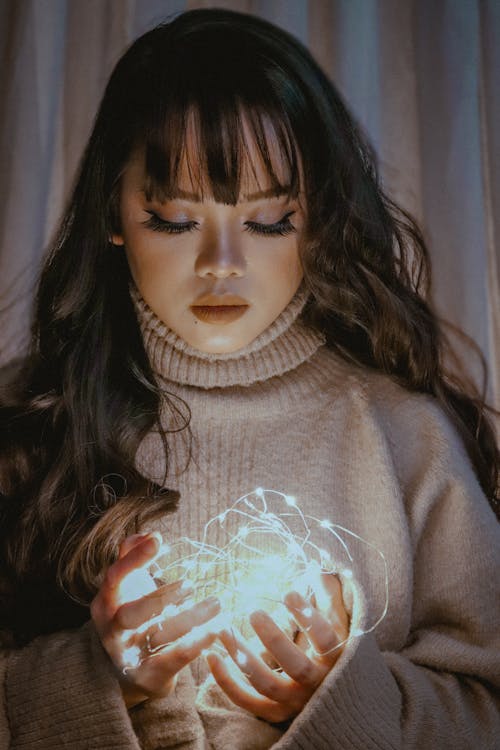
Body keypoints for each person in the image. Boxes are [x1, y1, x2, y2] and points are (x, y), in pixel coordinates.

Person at [0, 7, 499, 750]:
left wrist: (339, 701)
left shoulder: (403, 436)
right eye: (173, 218)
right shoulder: (31, 424)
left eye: (269, 221)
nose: (221, 264)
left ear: (319, 218)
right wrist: (92, 682)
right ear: (114, 210)